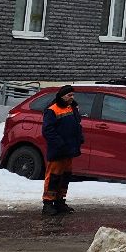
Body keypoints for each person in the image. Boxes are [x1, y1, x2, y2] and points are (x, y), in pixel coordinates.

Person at [41, 86, 85, 215]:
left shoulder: (72, 108)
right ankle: (48, 203)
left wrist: (79, 138)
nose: (72, 98)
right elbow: (48, 131)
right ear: (62, 96)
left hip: (69, 148)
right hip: (58, 150)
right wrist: (60, 143)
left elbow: (77, 125)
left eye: (73, 95)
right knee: (53, 176)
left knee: (65, 176)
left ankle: (60, 201)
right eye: (69, 95)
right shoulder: (52, 110)